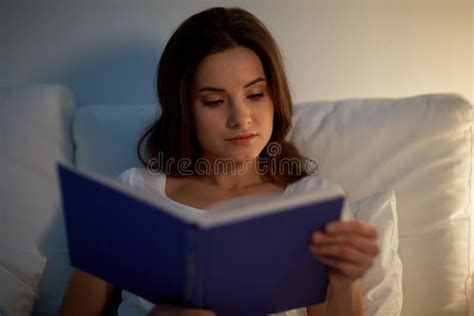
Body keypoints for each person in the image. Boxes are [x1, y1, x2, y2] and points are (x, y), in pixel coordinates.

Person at [58, 6, 380, 316]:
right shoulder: (132, 195)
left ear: (275, 97)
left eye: (255, 95)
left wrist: (344, 283)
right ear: (184, 110)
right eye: (214, 101)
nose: (241, 119)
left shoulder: (314, 202)